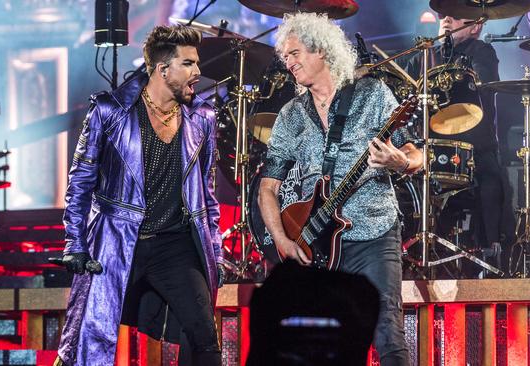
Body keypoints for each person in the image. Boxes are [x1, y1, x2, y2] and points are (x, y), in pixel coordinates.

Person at [258, 13, 423, 366]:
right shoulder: (291, 115)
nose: (288, 63)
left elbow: (416, 153)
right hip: (314, 243)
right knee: (327, 346)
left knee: (387, 333)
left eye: (295, 53)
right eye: (285, 57)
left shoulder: (372, 94)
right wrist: (282, 241)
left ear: (321, 50)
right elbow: (266, 189)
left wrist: (399, 162)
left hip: (373, 235)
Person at [53, 25, 224, 366]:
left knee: (204, 335)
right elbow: (80, 183)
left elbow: (207, 195)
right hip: (117, 240)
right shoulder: (109, 111)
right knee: (89, 340)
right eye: (188, 64)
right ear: (164, 70)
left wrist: (215, 250)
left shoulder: (201, 119)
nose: (198, 72)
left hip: (174, 244)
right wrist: (75, 242)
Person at [404, 14, 511, 272]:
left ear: (476, 27)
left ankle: (491, 250)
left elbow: (484, 85)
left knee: (492, 177)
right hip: (429, 146)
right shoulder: (424, 56)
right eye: (445, 15)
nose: (447, 19)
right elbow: (401, 93)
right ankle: (408, 250)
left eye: (457, 15)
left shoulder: (482, 51)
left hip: (474, 146)